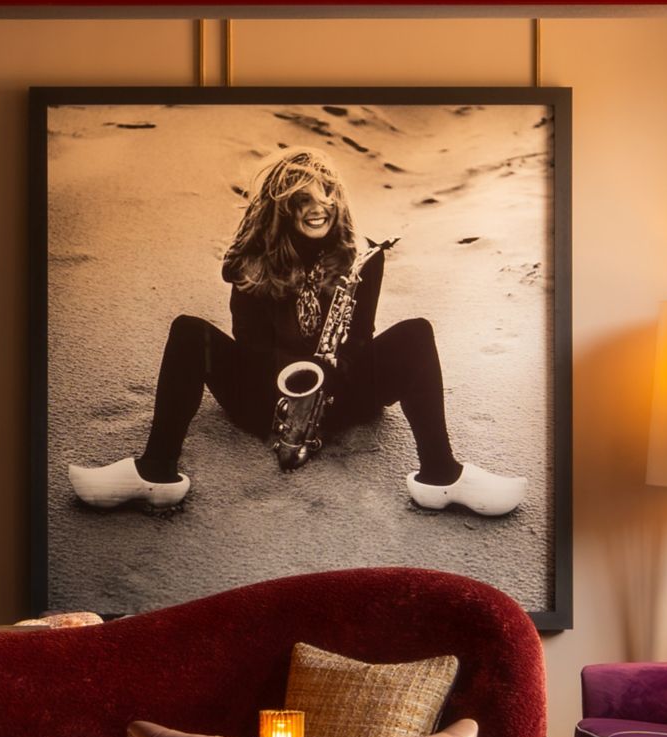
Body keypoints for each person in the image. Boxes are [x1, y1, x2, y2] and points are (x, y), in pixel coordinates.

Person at [67, 148, 525, 517]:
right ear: (281, 208)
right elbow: (247, 342)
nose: (317, 207)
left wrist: (333, 368)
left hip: (341, 396)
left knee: (417, 333)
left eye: (325, 195)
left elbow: (361, 336)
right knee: (188, 332)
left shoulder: (362, 258)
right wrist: (293, 376)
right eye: (302, 200)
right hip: (263, 398)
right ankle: (156, 472)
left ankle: (441, 476)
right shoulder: (252, 258)